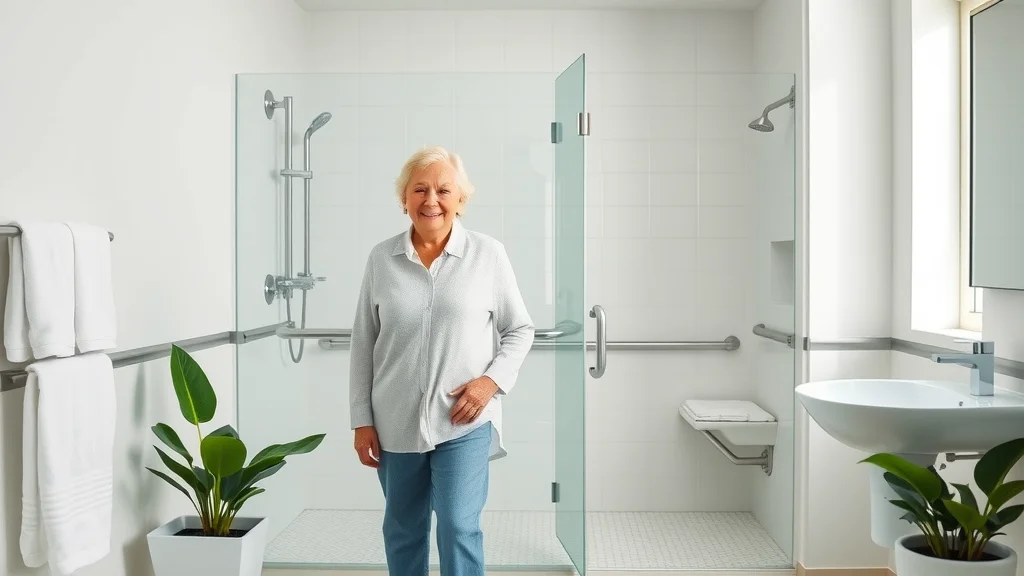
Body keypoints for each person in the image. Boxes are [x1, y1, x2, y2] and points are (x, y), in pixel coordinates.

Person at [348, 146, 535, 576]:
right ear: (404, 200)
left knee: (457, 525)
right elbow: (363, 342)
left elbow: (520, 329)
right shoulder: (382, 259)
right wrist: (362, 419)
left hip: (464, 420)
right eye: (420, 189)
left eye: (443, 190)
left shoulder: (488, 255)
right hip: (394, 420)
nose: (431, 199)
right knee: (403, 528)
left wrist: (489, 383)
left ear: (460, 200)